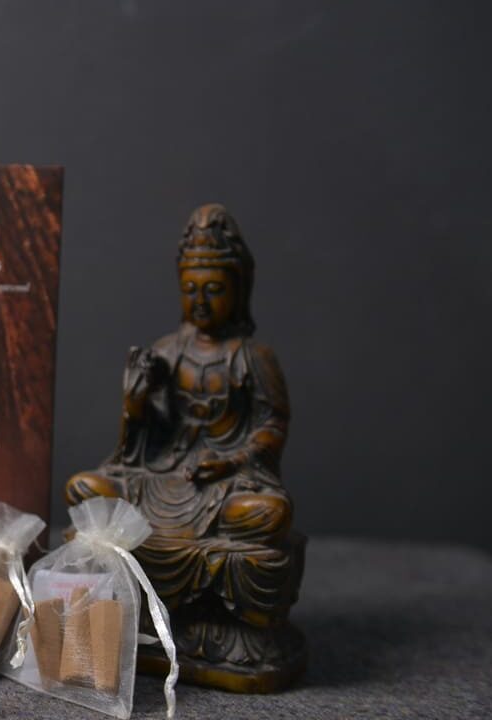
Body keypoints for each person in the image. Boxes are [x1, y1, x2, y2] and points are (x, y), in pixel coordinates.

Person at [66, 204, 304, 680]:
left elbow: (271, 424)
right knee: (84, 490)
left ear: (239, 290)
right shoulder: (166, 351)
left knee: (269, 515)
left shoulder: (253, 357)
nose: (201, 301)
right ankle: (132, 618)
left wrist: (231, 462)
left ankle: (218, 630)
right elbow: (148, 438)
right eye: (191, 289)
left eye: (214, 290)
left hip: (223, 488)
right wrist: (134, 405)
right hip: (160, 481)